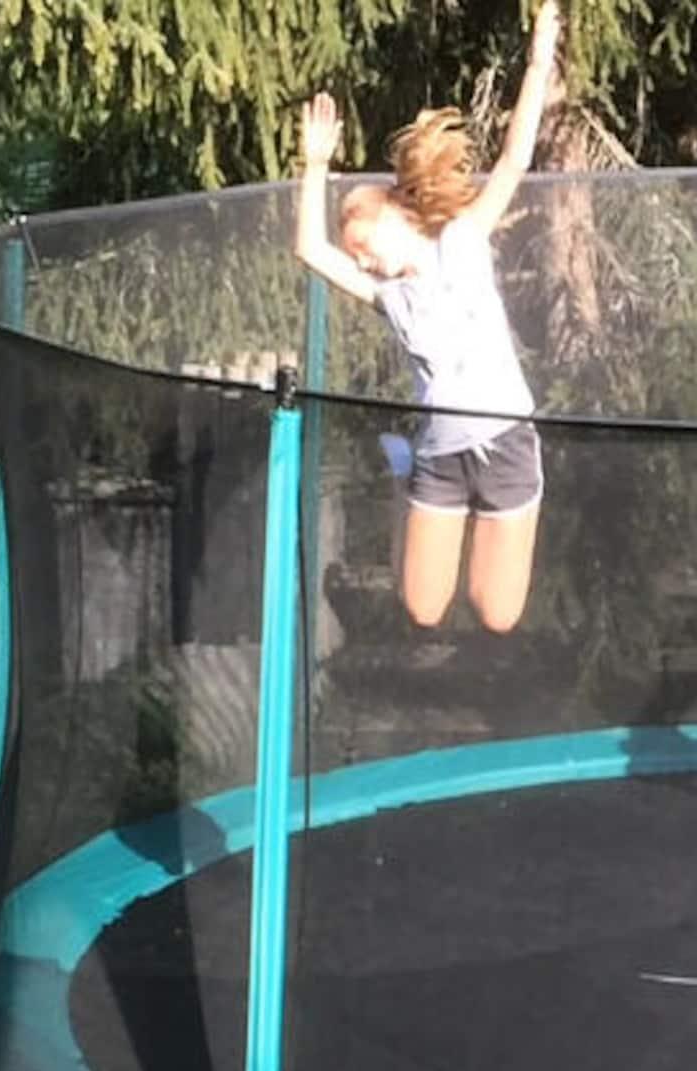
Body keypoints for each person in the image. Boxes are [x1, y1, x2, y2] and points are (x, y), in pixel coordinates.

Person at [293, 0, 564, 633]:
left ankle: (468, 500)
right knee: (422, 607)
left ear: (394, 215)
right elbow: (309, 249)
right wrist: (314, 166)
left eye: (364, 248)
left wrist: (538, 61)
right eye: (359, 259)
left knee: (497, 613)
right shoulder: (390, 298)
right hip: (440, 453)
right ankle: (403, 477)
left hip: (506, 443)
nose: (366, 263)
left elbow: (514, 160)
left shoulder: (461, 241)